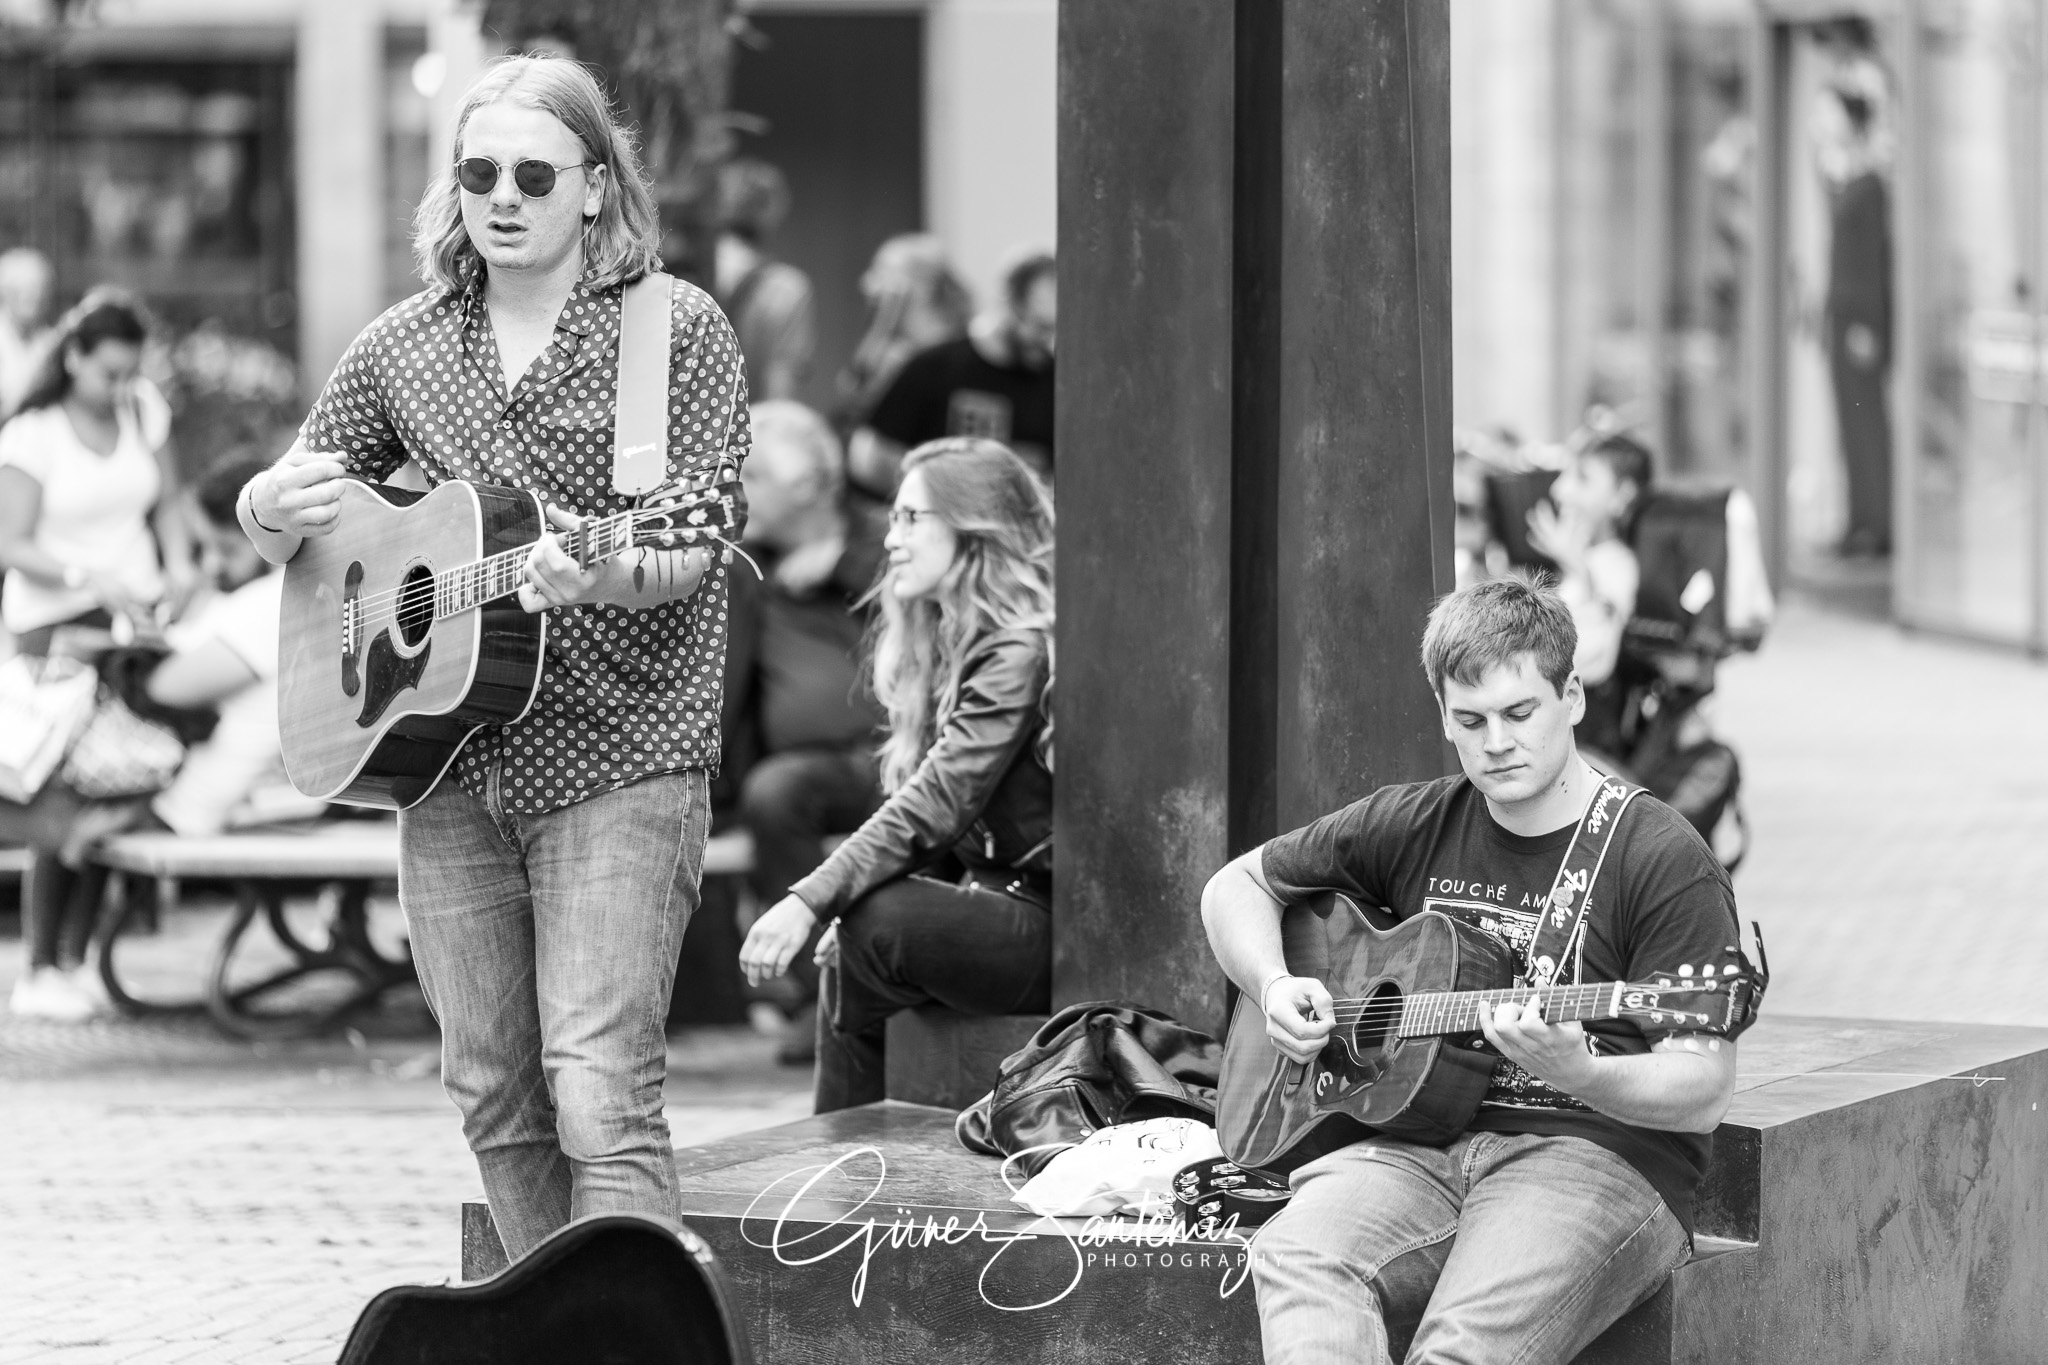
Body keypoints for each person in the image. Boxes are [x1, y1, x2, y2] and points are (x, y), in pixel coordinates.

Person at [235, 56, 749, 1259]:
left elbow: (688, 544)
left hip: (623, 754)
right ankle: (551, 1332)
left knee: (600, 1092)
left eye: (532, 174)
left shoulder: (672, 330)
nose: (502, 197)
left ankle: (638, 1347)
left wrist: (605, 569)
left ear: (592, 188)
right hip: (444, 765)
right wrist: (268, 505)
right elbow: (300, 518)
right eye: (477, 174)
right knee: (493, 1094)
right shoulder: (399, 346)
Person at [1201, 577, 1750, 1365]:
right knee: (1298, 1253)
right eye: (1471, 720)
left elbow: (1706, 1087)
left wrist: (1583, 1070)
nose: (1496, 741)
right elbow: (1235, 886)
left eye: (1521, 713)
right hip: (1416, 1143)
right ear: (1443, 718)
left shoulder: (1660, 856)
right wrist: (1273, 984)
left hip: (1596, 1154)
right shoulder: (1417, 819)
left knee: (1458, 1352)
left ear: (1572, 696)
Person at [738, 437, 1053, 1112]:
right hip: (993, 897)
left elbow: (938, 800)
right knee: (861, 930)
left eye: (913, 519)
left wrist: (811, 898)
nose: (892, 539)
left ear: (973, 528)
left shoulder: (1019, 650)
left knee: (873, 915)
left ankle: (837, 1155)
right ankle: (846, 1158)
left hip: (1053, 924)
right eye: (894, 519)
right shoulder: (953, 641)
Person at [0, 290, 201, 1021]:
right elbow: (11, 543)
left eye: (129, 373)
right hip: (57, 628)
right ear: (74, 357)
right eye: (107, 373)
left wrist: (179, 564)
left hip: (133, 627)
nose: (119, 387)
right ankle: (42, 965)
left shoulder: (143, 408)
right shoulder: (34, 434)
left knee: (121, 781)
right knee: (64, 797)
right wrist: (92, 578)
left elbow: (170, 500)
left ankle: (81, 961)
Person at [721, 400, 887, 1062]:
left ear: (812, 482)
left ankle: (880, 993)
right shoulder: (742, 563)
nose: (737, 489)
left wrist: (841, 560)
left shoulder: (883, 536)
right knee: (774, 791)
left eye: (755, 475)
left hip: (899, 757)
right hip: (807, 773)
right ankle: (821, 996)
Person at [849, 251, 1055, 497]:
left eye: (1054, 328)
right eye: (1039, 326)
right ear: (1009, 302)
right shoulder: (935, 367)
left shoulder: (1054, 382)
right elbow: (868, 460)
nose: (1047, 341)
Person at [1526, 433, 1646, 757]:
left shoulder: (1619, 564)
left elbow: (1590, 657)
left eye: (1582, 478)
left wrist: (1577, 567)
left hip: (1586, 744)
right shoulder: (1582, 560)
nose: (1560, 490)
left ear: (1622, 494)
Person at [833, 234, 973, 435]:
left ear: (922, 286)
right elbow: (852, 400)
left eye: (881, 272)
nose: (866, 283)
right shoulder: (887, 350)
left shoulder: (952, 353)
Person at [714, 158, 817, 403]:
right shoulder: (787, 287)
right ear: (770, 211)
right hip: (748, 429)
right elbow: (782, 386)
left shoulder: (675, 274)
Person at [0, 247, 55, 420]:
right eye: (26, 289)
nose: (36, 297)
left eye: (41, 289)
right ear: (6, 292)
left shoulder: (51, 341)